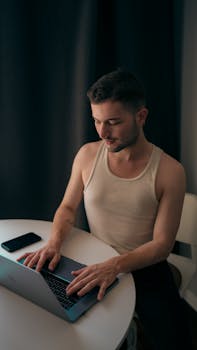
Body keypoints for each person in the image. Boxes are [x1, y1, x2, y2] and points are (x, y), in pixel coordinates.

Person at [19, 69, 191, 349]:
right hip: (93, 256)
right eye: (97, 121)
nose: (103, 132)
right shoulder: (87, 155)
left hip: (145, 267)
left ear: (141, 116)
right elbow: (66, 208)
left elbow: (162, 245)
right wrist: (54, 243)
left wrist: (114, 266)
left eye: (113, 122)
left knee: (176, 343)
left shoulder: (171, 171)